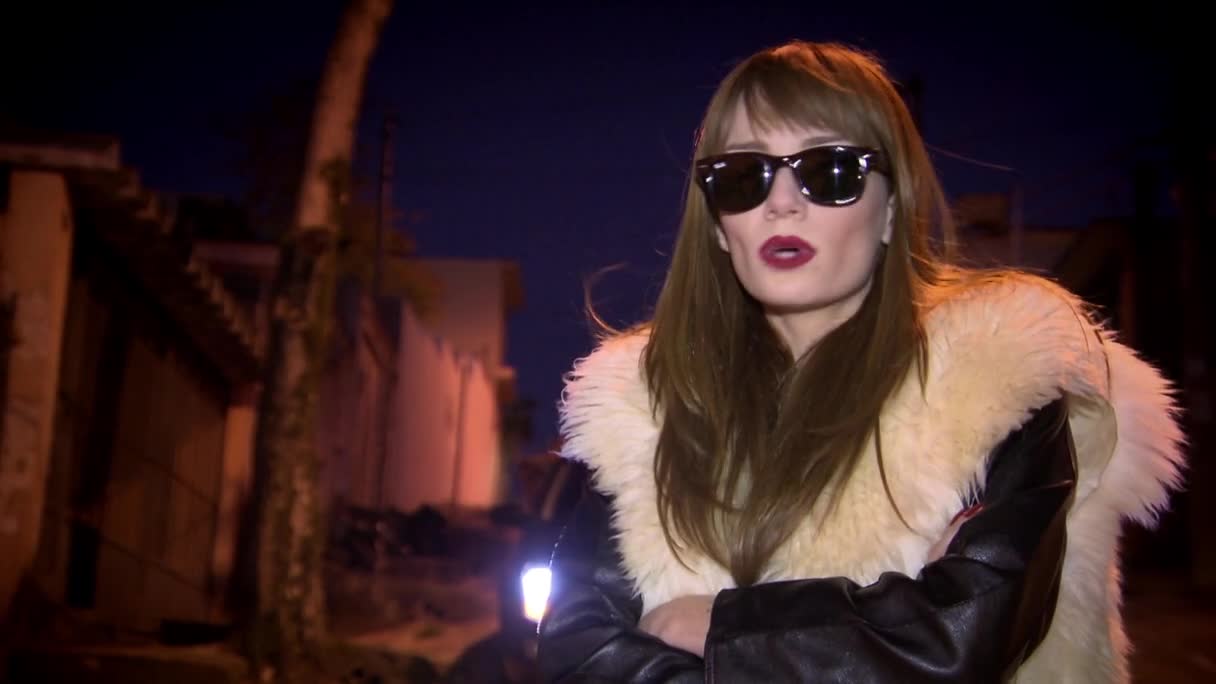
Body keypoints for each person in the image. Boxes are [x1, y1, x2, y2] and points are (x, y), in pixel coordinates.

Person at [536, 40, 1184, 683]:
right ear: (714, 224)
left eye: (831, 172)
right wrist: (867, 625)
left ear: (891, 209)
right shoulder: (642, 408)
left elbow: (958, 644)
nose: (782, 203)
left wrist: (720, 627)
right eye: (742, 176)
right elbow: (574, 648)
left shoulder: (1000, 376)